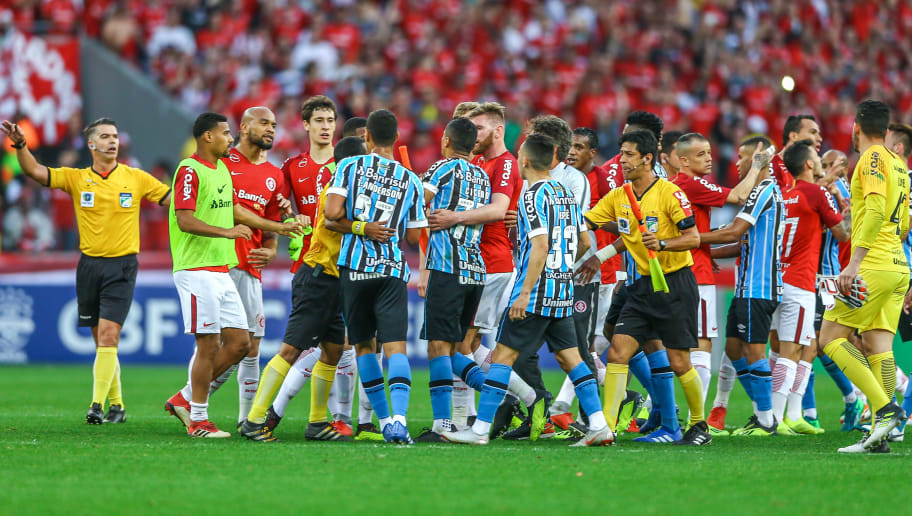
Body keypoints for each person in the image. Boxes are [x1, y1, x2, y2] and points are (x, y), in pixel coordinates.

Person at [444, 133, 612, 447]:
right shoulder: (564, 192)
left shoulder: (532, 195)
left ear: (524, 161)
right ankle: (599, 425)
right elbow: (586, 242)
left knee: (503, 358)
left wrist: (524, 292)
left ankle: (480, 430)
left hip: (535, 292)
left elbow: (540, 246)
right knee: (572, 359)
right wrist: (561, 268)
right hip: (563, 291)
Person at [1, 117, 171, 425]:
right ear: (91, 144)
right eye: (105, 136)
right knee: (101, 340)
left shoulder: (136, 178)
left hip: (122, 265)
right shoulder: (77, 178)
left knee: (108, 335)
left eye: (115, 136)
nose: (112, 141)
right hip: (90, 266)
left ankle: (96, 405)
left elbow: (173, 200)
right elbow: (35, 171)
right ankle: (117, 405)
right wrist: (22, 145)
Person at [162, 112, 305, 438]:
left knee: (241, 343)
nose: (230, 139)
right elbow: (184, 219)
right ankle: (198, 417)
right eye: (225, 133)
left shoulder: (223, 171)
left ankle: (185, 399)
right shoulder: (189, 169)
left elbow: (237, 210)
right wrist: (227, 233)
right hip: (197, 268)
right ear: (209, 137)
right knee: (209, 343)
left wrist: (279, 229)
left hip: (222, 269)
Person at [584, 130, 710, 446]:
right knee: (617, 352)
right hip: (641, 287)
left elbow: (694, 238)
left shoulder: (669, 193)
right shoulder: (619, 196)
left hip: (674, 284)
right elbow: (587, 221)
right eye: (621, 153)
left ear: (647, 158)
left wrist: (665, 242)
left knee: (680, 361)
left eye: (628, 154)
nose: (622, 160)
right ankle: (607, 429)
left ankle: (699, 425)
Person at [324, 109, 427, 444]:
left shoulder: (348, 166)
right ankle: (399, 419)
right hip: (391, 270)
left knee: (364, 347)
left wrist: (360, 226)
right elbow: (413, 238)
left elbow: (331, 214)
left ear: (365, 137)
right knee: (395, 348)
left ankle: (383, 423)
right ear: (396, 140)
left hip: (354, 267)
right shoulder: (410, 179)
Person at [431, 102, 524, 431]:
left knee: (462, 344)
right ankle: (472, 414)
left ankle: (521, 400)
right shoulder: (482, 165)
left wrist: (453, 217)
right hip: (475, 262)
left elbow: (499, 210)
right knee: (467, 344)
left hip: (492, 263)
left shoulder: (506, 164)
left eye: (480, 129)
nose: (474, 136)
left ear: (498, 131)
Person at [191, 106, 286, 427]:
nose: (271, 129)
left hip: (250, 265)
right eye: (264, 123)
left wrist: (271, 249)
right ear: (244, 127)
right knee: (212, 341)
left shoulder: (275, 175)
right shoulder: (222, 162)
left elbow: (273, 221)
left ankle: (246, 416)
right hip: (216, 260)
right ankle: (192, 403)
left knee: (252, 344)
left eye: (274, 125)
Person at [822, 100, 908, 453]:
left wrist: (855, 263)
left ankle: (885, 410)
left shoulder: (872, 158)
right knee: (879, 347)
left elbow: (873, 208)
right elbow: (904, 223)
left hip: (871, 264)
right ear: (887, 130)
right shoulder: (899, 164)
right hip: (897, 265)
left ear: (856, 127)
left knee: (830, 337)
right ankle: (880, 436)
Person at [669, 132, 762, 435]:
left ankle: (664, 414)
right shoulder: (691, 183)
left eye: (709, 152)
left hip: (679, 272)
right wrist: (758, 166)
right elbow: (738, 196)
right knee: (701, 345)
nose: (709, 158)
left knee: (667, 347)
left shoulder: (673, 186)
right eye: (700, 155)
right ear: (683, 160)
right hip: (697, 277)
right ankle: (696, 420)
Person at [415, 117, 491, 441]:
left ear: (446, 140)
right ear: (473, 145)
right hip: (475, 269)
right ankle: (502, 394)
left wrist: (415, 186)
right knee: (458, 349)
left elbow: (416, 203)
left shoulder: (442, 168)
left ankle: (442, 426)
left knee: (438, 346)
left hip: (448, 267)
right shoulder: (482, 178)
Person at [700, 136, 782, 437]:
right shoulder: (758, 193)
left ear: (758, 158)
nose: (736, 163)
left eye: (742, 156)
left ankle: (766, 419)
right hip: (746, 286)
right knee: (734, 349)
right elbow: (741, 243)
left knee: (754, 351)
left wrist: (694, 242)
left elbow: (735, 231)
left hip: (759, 288)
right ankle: (765, 411)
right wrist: (704, 252)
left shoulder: (764, 190)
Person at [768, 139, 849, 435]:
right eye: (816, 156)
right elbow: (843, 233)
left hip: (778, 279)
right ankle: (775, 419)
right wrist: (847, 207)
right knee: (791, 350)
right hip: (800, 282)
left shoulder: (784, 193)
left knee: (808, 347)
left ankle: (793, 414)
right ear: (809, 164)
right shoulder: (816, 193)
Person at [549, 127, 617, 431]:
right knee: (584, 346)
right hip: (569, 270)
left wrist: (593, 224)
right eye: (570, 146)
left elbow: (626, 223)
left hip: (598, 272)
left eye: (579, 147)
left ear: (592, 152)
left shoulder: (602, 180)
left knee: (587, 346)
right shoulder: (563, 177)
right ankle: (570, 410)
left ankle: (578, 412)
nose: (572, 151)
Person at [886, 122, 912, 441]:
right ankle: (891, 413)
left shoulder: (903, 183)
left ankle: (897, 416)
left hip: (902, 274)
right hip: (891, 272)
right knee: (870, 341)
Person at [769, 115, 823, 191]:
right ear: (794, 136)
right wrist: (817, 188)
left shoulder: (815, 168)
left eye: (819, 134)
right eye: (813, 132)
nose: (820, 139)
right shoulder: (773, 166)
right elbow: (779, 200)